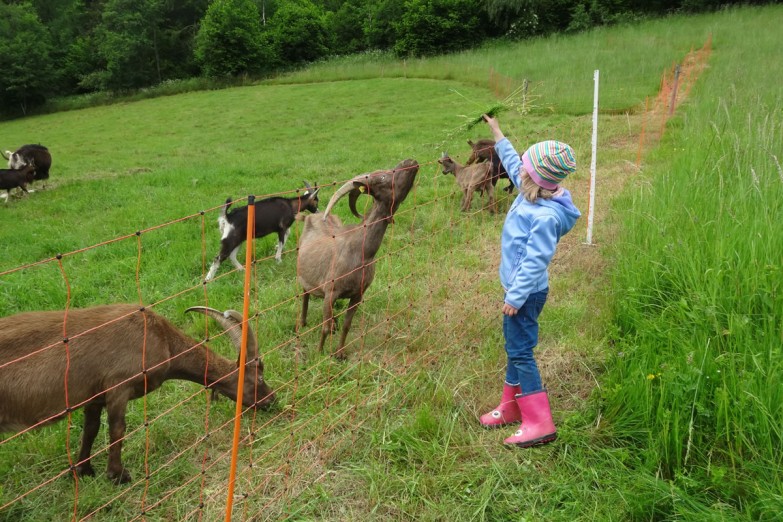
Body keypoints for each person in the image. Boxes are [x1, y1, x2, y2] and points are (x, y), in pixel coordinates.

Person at [479, 115, 581, 448]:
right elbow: (512, 161)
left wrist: (516, 296)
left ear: (534, 176)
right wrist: (497, 134)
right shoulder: (532, 191)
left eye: (524, 167)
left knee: (521, 353)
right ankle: (511, 406)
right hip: (520, 291)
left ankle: (539, 421)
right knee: (515, 349)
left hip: (525, 294)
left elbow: (536, 261)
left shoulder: (545, 216)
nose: (518, 169)